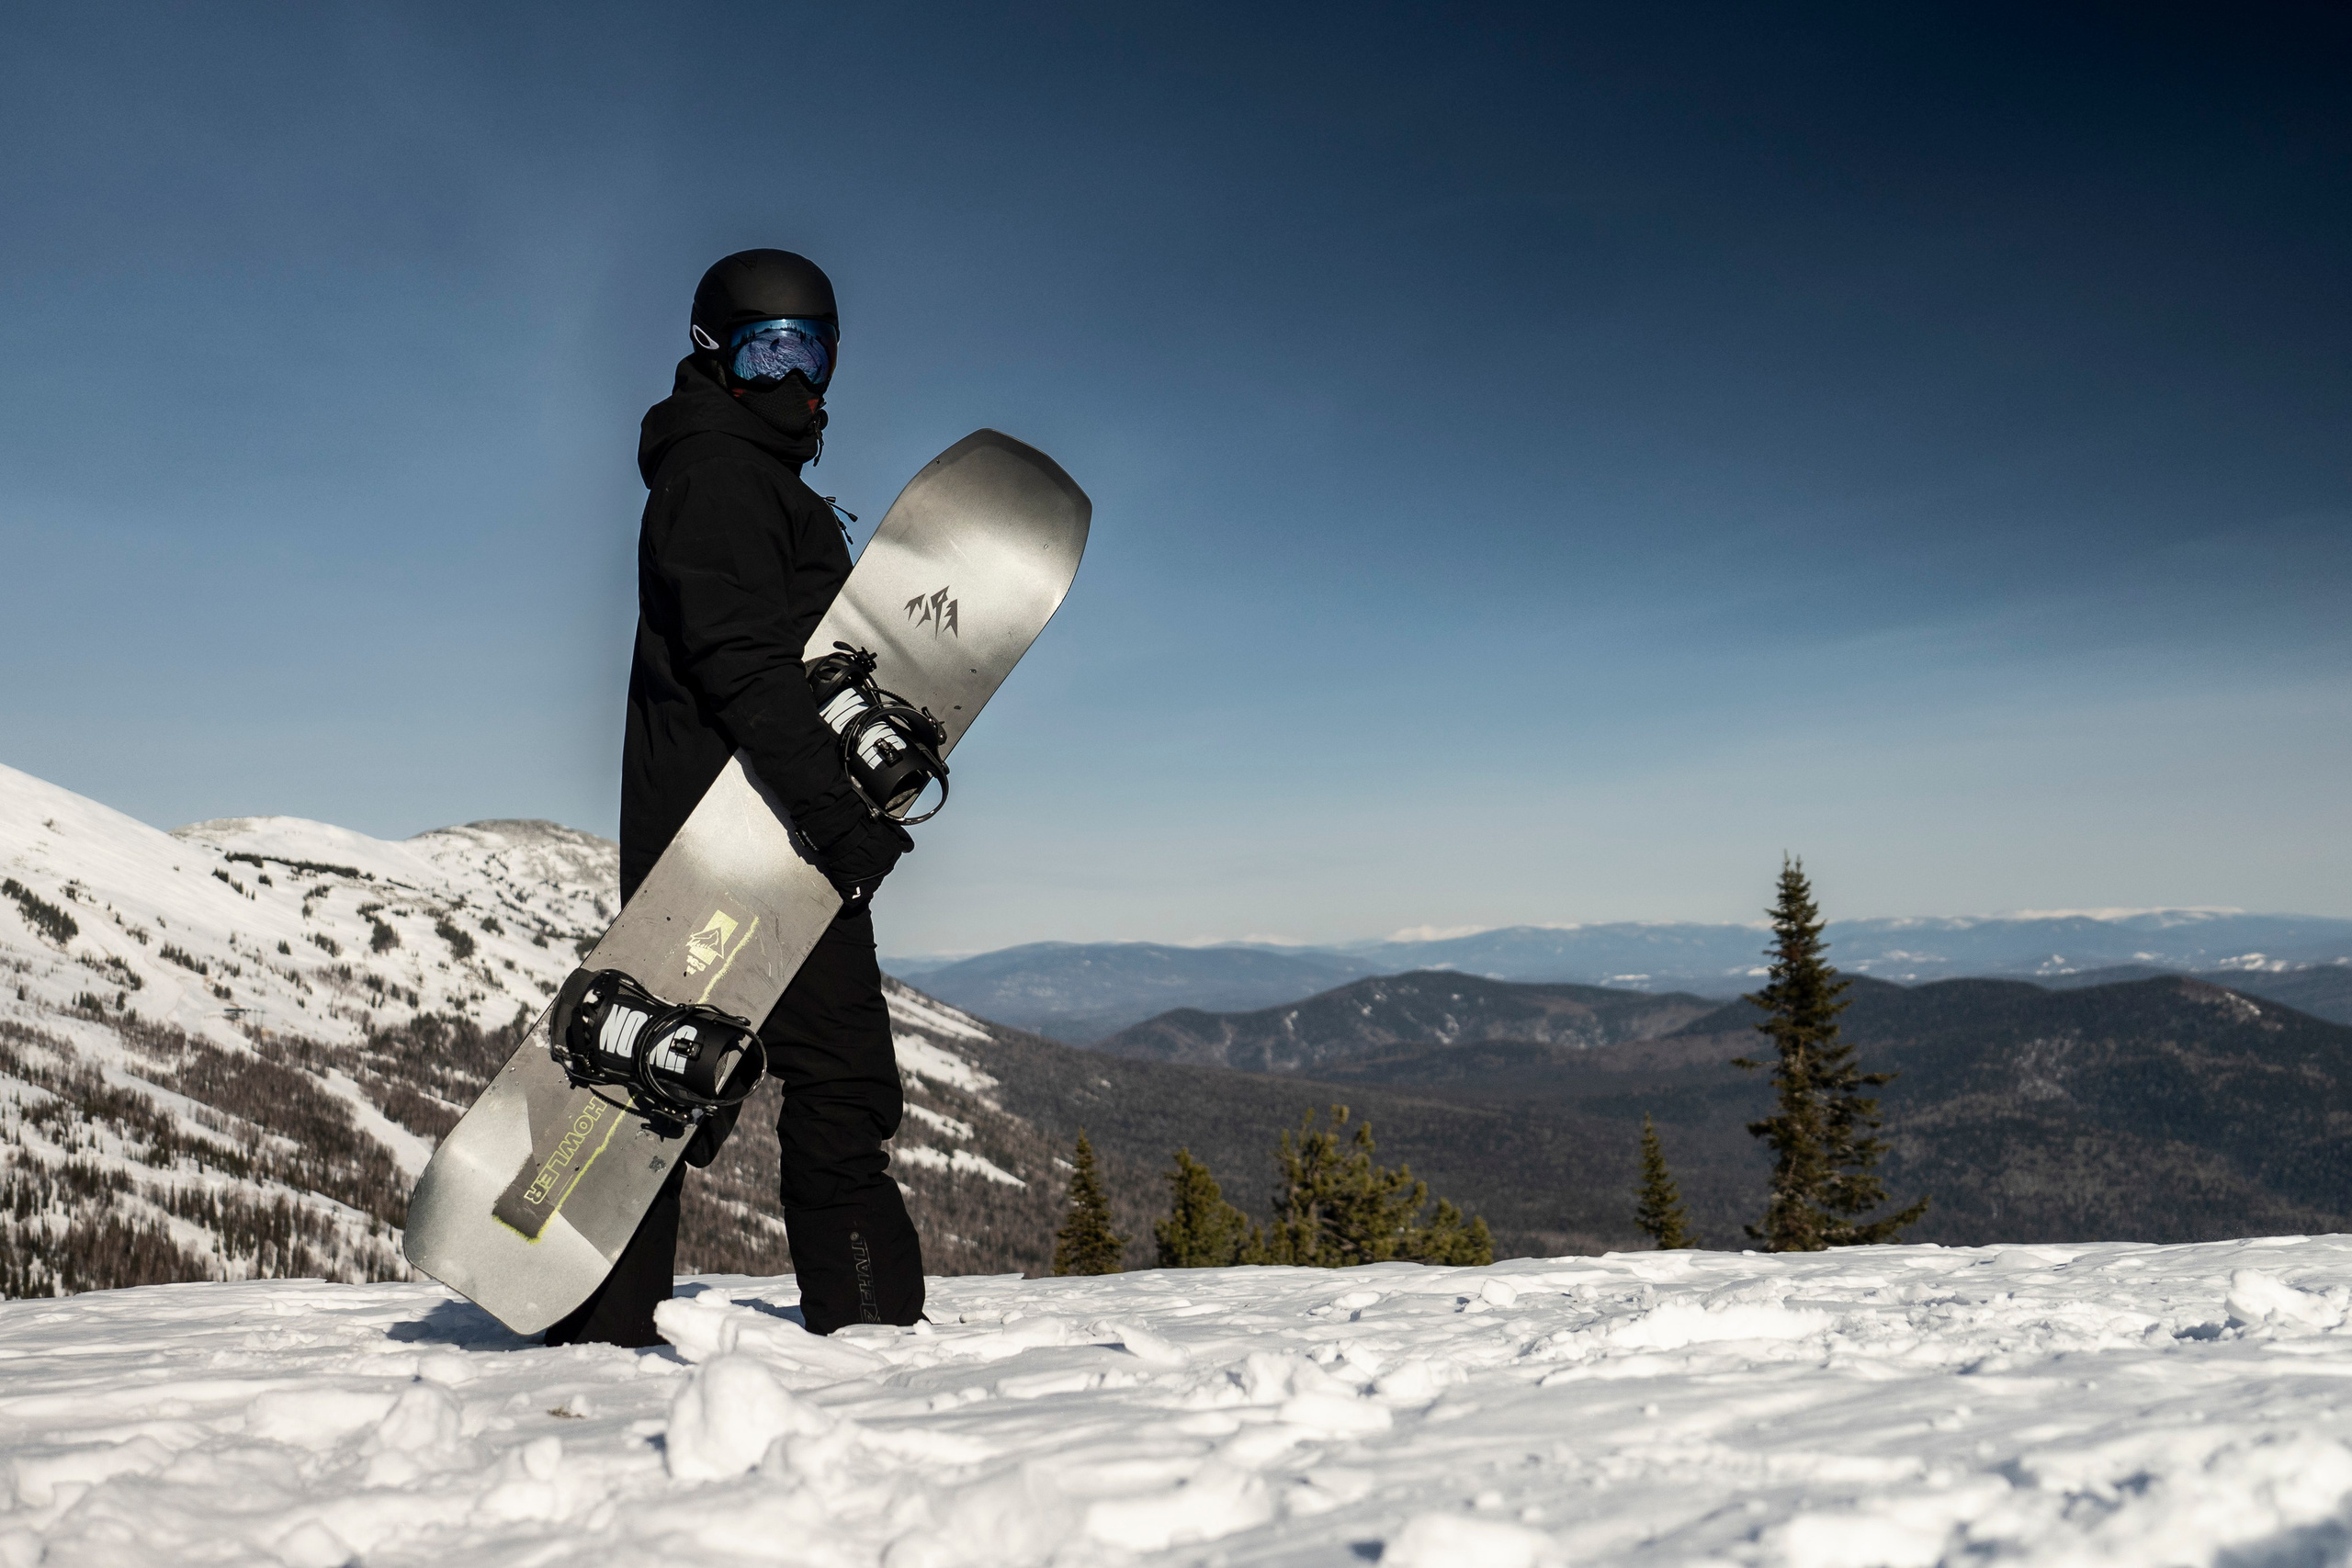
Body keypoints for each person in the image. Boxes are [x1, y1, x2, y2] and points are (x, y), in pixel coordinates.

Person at [541, 249, 924, 1348]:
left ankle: (836, 1318)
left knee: (695, 1083)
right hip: (744, 835)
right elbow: (742, 667)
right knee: (814, 1085)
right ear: (715, 354)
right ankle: (862, 1330)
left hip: (760, 827)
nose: (790, 376)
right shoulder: (717, 478)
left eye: (810, 350)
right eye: (765, 349)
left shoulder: (758, 479)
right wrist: (839, 816)